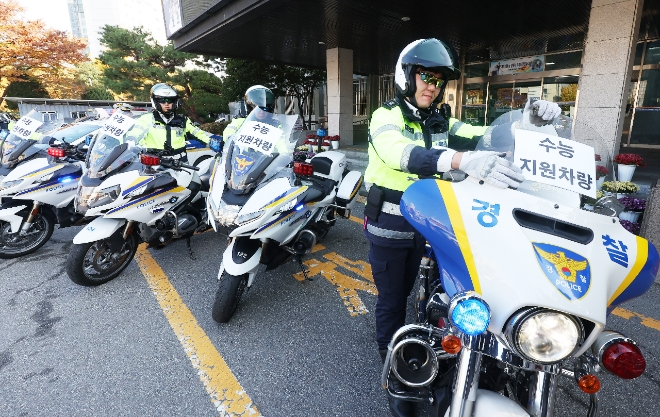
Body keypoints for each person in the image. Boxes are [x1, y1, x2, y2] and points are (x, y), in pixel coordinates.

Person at [365, 38, 561, 417]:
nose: (431, 86)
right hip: (391, 225)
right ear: (406, 77)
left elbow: (486, 135)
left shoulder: (442, 119)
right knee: (393, 298)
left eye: (438, 80)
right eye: (424, 76)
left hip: (436, 223)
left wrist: (528, 122)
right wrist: (460, 160)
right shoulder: (385, 116)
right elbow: (398, 153)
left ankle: (454, 353)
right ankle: (395, 364)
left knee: (450, 290)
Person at [127, 83, 210, 161]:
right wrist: (131, 140)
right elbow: (136, 132)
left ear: (175, 102)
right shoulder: (146, 119)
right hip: (155, 163)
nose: (166, 103)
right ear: (155, 101)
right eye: (162, 100)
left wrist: (212, 142)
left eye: (170, 100)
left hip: (180, 163)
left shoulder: (183, 120)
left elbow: (198, 133)